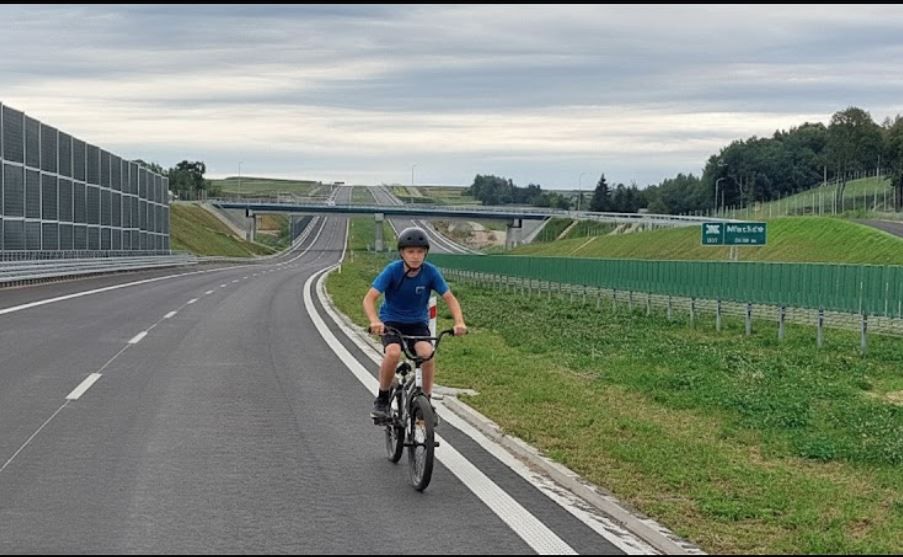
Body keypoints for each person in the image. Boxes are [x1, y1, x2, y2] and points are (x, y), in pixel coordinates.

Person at [362, 226, 467, 422]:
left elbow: (450, 298)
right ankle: (382, 398)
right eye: (410, 251)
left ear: (425, 253)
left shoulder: (430, 273)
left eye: (420, 252)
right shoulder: (392, 271)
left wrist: (459, 322)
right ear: (402, 253)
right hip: (391, 322)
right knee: (393, 352)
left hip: (417, 323)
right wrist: (375, 321)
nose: (415, 256)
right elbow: (369, 299)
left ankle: (425, 400)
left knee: (427, 354)